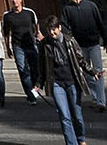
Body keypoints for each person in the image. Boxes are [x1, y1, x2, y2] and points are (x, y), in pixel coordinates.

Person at [37, 15, 94, 145]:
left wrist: (92, 72)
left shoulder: (69, 41)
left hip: (72, 81)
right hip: (57, 83)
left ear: (60, 28)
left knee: (77, 115)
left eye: (54, 29)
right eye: (49, 30)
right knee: (64, 116)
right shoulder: (44, 44)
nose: (52, 32)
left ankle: (81, 138)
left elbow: (81, 60)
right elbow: (42, 65)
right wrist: (39, 83)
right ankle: (71, 143)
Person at [59, 0, 107, 111]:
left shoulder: (90, 6)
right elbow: (64, 27)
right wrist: (67, 41)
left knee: (98, 70)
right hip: (79, 46)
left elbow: (99, 22)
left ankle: (101, 101)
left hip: (94, 43)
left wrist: (106, 39)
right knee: (87, 73)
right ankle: (95, 98)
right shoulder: (67, 9)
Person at [1, 0, 41, 102]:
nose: (14, 1)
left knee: (35, 70)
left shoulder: (29, 12)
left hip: (31, 44)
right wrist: (8, 48)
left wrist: (38, 35)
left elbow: (36, 25)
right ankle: (31, 96)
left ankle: (34, 89)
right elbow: (6, 33)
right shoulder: (7, 16)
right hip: (18, 46)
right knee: (23, 70)